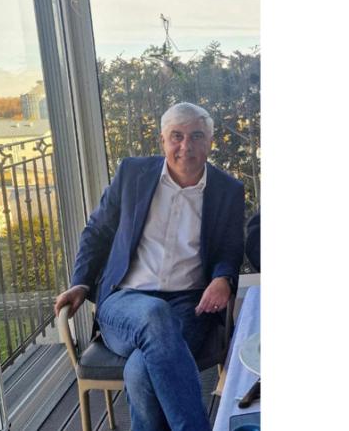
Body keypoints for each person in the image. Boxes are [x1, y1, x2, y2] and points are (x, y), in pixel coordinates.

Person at [54, 102, 245, 431]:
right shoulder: (133, 174)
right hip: (124, 302)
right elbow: (97, 231)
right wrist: (81, 283)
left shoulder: (228, 190)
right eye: (176, 136)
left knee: (141, 370)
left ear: (210, 142)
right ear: (162, 140)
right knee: (154, 313)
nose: (186, 146)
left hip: (188, 305)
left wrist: (223, 279)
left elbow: (229, 250)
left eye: (196, 136)